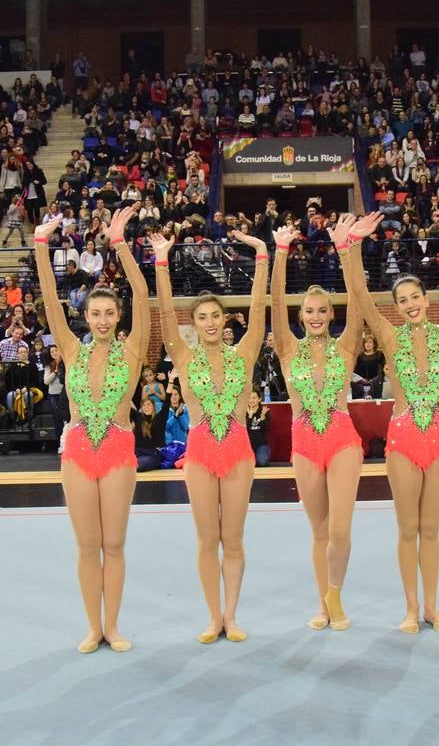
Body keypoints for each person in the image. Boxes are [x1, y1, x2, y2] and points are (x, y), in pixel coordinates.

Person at [341, 207, 439, 634]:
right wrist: (354, 246)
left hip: (437, 436)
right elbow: (361, 297)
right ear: (397, 307)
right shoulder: (388, 335)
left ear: (426, 299)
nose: (411, 305)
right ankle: (410, 607)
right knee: (407, 529)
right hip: (401, 436)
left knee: (431, 529)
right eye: (403, 300)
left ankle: (433, 607)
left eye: (416, 297)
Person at [33, 205, 150, 654]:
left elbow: (143, 296)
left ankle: (114, 625)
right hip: (78, 449)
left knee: (114, 543)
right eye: (95, 313)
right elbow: (48, 300)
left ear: (117, 317)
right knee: (87, 545)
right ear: (86, 317)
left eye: (108, 313)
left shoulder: (133, 350)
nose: (101, 320)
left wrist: (120, 243)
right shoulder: (72, 350)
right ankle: (92, 626)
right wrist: (41, 245)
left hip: (119, 447)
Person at [152, 223, 269, 644]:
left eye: (215, 316)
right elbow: (165, 316)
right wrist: (162, 262)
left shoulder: (245, 353)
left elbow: (259, 311)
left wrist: (261, 256)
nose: (209, 323)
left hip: (237, 450)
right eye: (201, 318)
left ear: (224, 319)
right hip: (200, 451)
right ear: (195, 324)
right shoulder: (182, 356)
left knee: (232, 539)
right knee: (206, 540)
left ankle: (231, 616)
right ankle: (212, 616)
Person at [270, 221, 365, 631]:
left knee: (340, 529)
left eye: (323, 311)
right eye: (308, 311)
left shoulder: (346, 345)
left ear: (331, 314)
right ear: (300, 315)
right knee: (320, 530)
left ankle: (337, 597)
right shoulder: (288, 347)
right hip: (304, 442)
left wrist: (346, 250)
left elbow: (359, 301)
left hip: (343, 439)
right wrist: (279, 253)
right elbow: (273, 304)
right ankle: (322, 604)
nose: (315, 317)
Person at [244, 392, 271, 467]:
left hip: (261, 445)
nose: (251, 400)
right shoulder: (243, 412)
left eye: (254, 398)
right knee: (245, 466)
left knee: (262, 463)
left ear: (259, 399)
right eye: (249, 398)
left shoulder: (264, 411)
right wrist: (249, 416)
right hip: (247, 446)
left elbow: (264, 430)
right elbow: (244, 430)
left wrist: (262, 417)